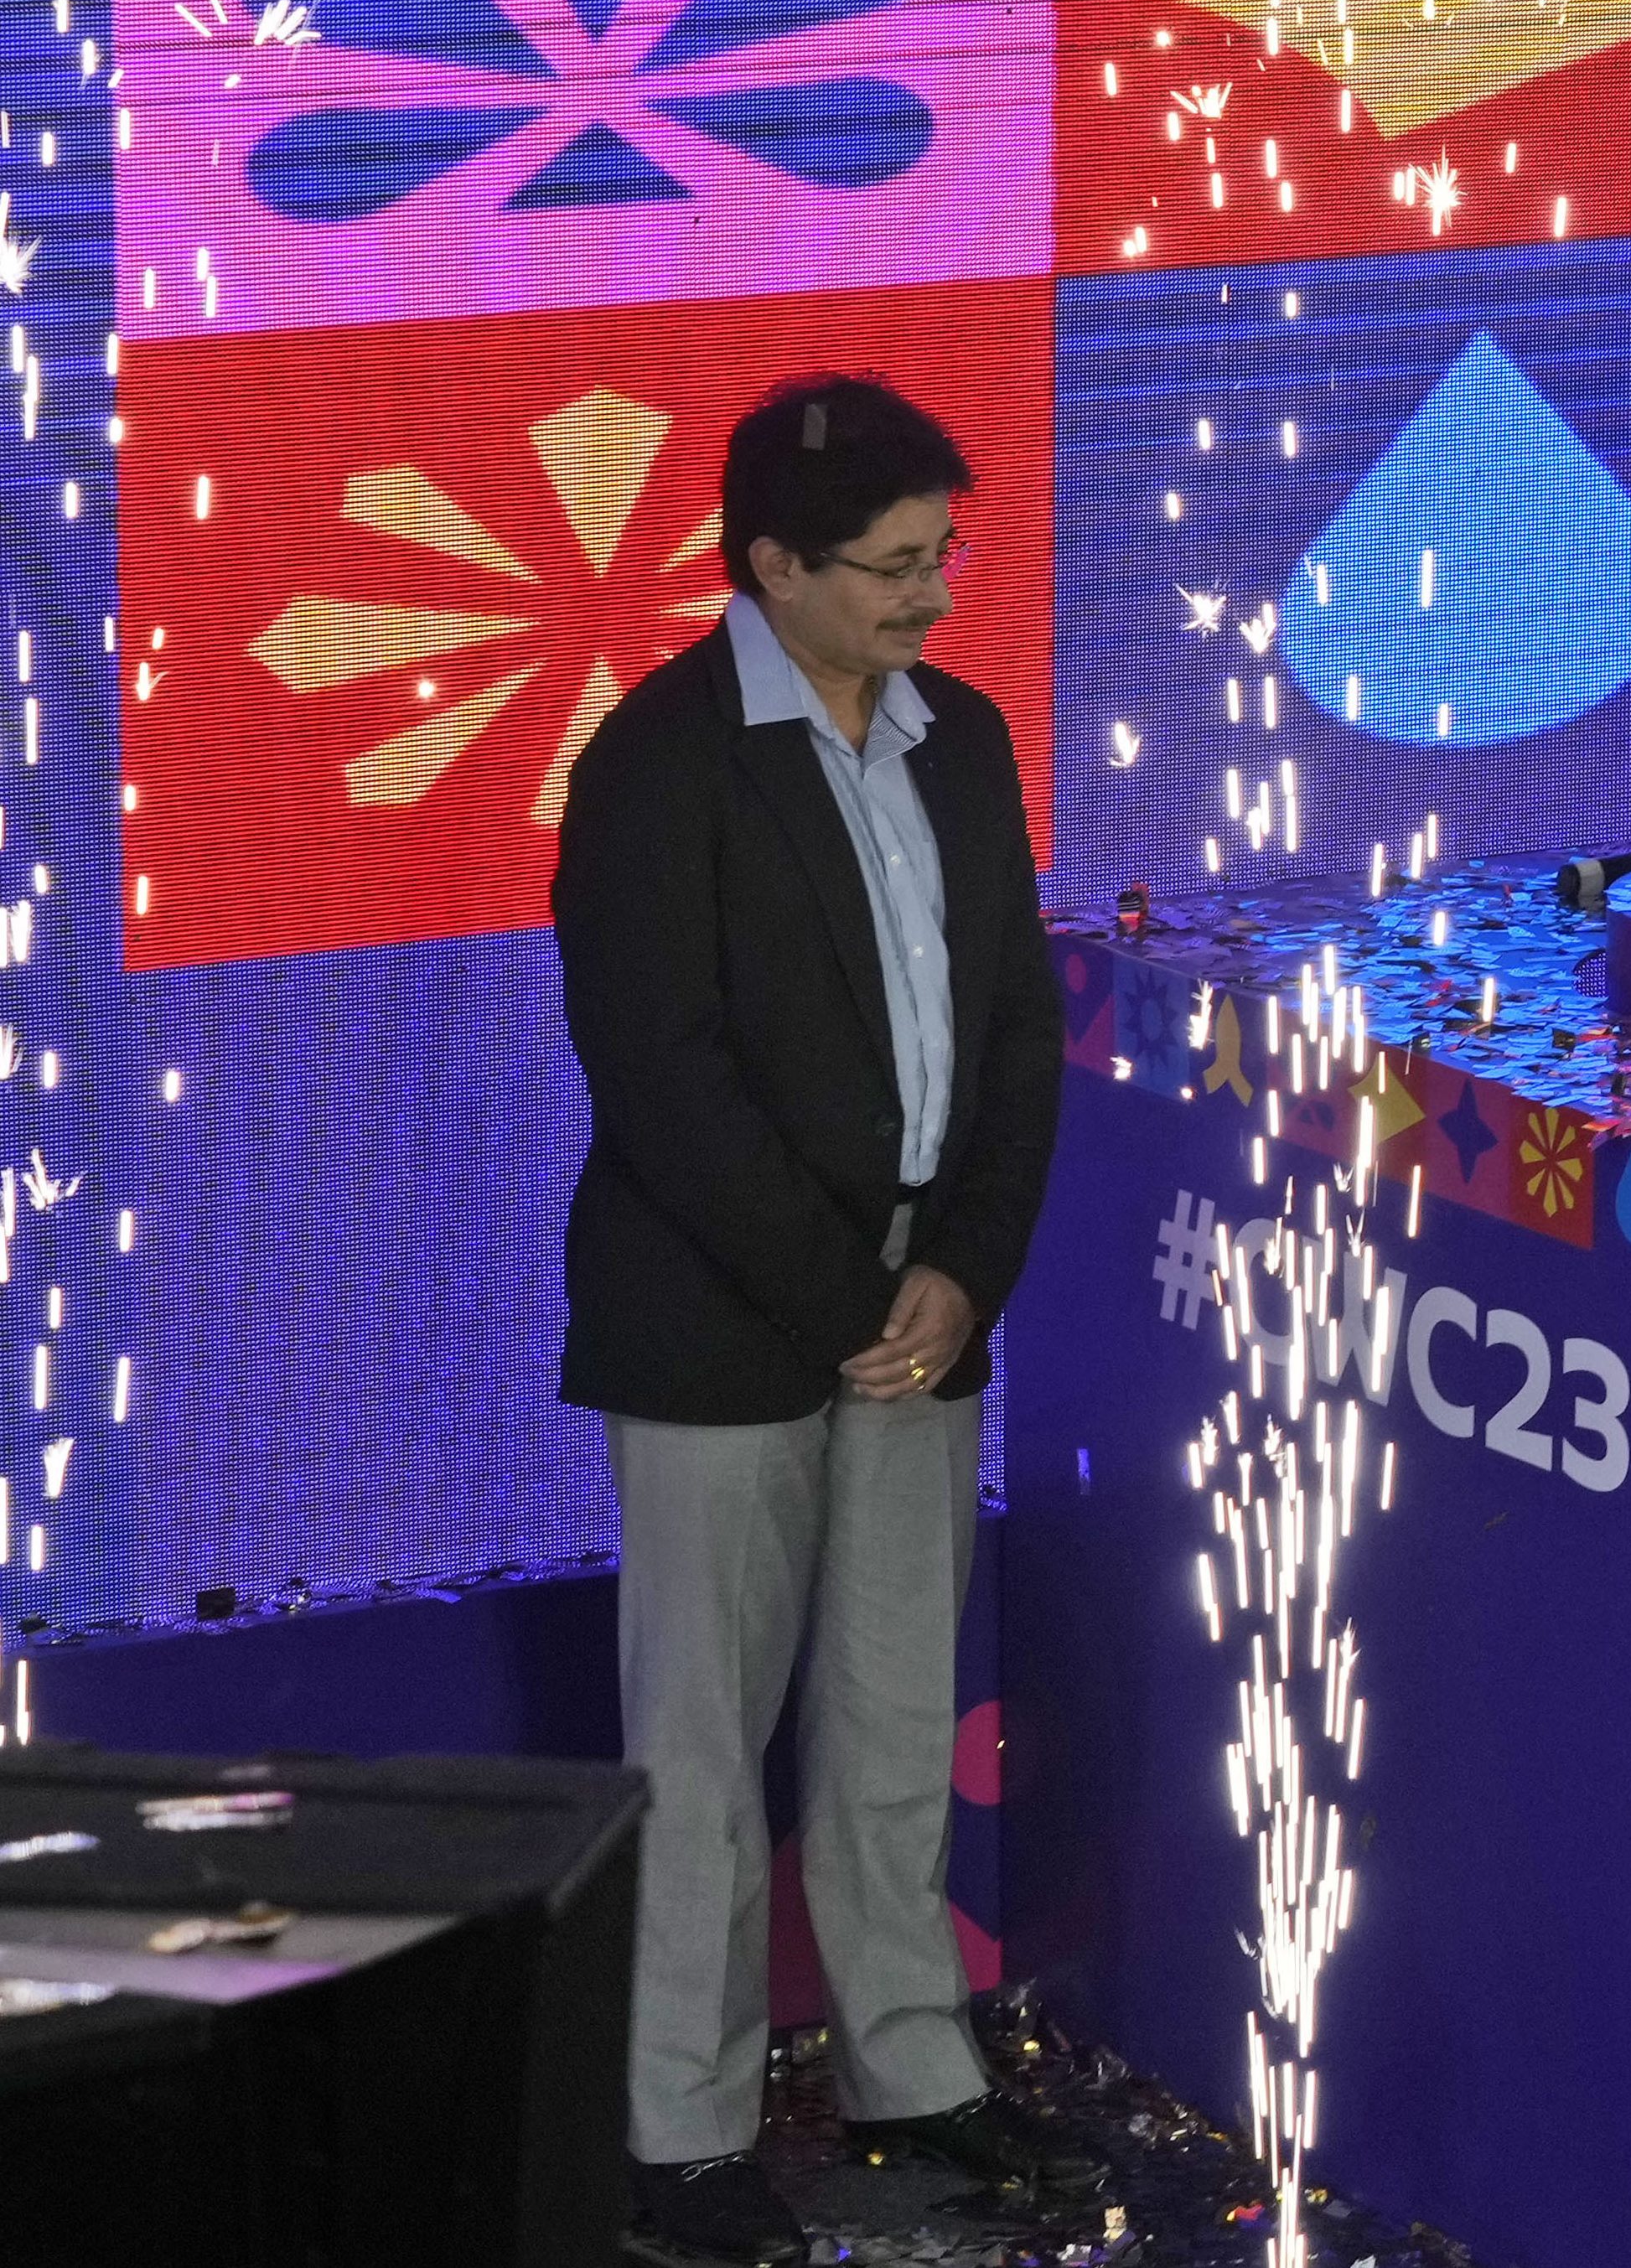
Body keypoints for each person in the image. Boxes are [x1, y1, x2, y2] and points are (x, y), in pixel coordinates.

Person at [551, 372, 1085, 2265]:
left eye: (943, 556)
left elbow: (1018, 1023)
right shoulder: (656, 763)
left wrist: (966, 1274)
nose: (930, 597)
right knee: (698, 1749)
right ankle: (678, 2132)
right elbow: (663, 1080)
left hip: (923, 1326)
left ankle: (911, 2074)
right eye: (888, 566)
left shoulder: (966, 738)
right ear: (769, 563)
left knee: (888, 1719)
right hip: (722, 1331)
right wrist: (866, 1299)